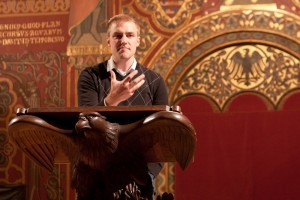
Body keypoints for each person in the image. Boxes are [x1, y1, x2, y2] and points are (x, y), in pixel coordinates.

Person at [77, 14, 169, 199]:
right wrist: (110, 101)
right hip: (96, 175)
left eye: (129, 35)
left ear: (138, 41)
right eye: (118, 35)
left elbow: (161, 134)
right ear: (108, 41)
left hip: (139, 177)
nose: (123, 40)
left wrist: (145, 175)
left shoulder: (155, 81)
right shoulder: (90, 76)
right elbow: (87, 125)